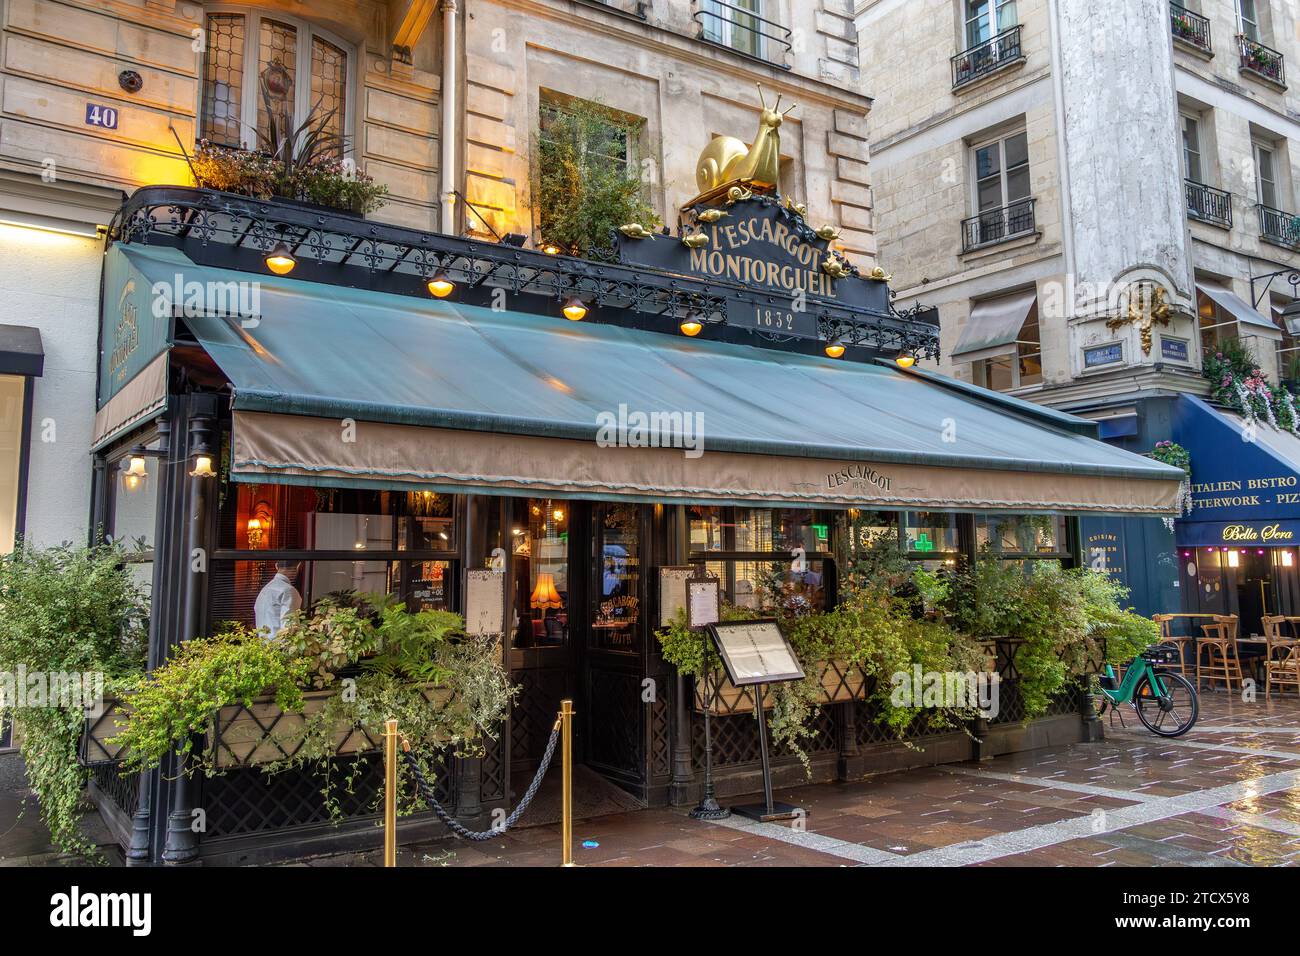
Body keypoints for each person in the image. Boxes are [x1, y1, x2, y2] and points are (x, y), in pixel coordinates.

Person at [255, 561, 302, 638]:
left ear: (276, 566)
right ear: (297, 568)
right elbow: (289, 625)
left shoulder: (265, 589)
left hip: (262, 644)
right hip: (278, 645)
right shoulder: (288, 590)